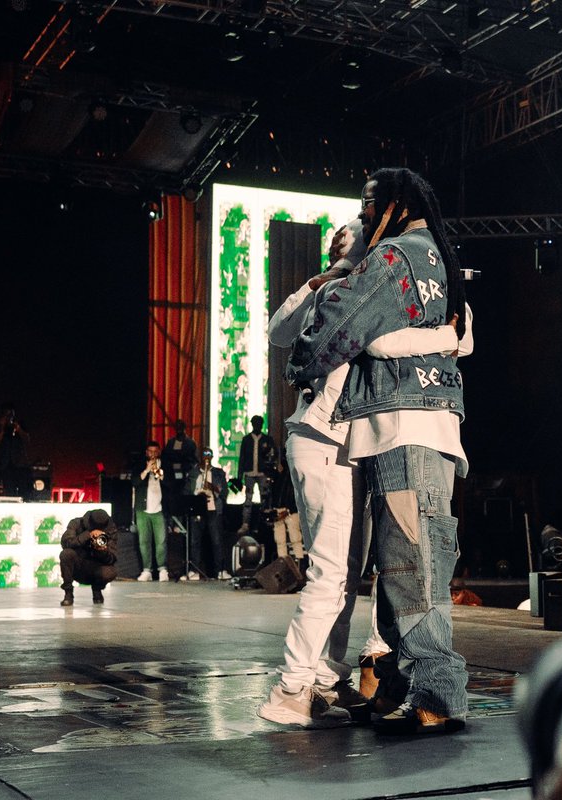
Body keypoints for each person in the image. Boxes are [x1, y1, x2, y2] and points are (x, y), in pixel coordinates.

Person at [259, 214, 472, 729]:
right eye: (352, 232)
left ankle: (326, 679)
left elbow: (460, 335)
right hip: (321, 437)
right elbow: (279, 332)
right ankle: (290, 689)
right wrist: (320, 282)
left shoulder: (389, 287)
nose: (363, 235)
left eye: (367, 228)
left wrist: (446, 333)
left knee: (351, 571)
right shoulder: (337, 294)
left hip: (357, 441)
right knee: (332, 572)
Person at [183, 446, 229, 580]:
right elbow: (186, 491)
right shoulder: (193, 473)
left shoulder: (219, 473)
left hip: (213, 509)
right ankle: (194, 571)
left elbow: (224, 492)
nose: (207, 459)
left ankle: (220, 570)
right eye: (204, 456)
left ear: (212, 457)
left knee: (217, 541)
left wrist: (212, 487)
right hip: (197, 509)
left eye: (209, 456)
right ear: (200, 458)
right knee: (195, 541)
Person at [58, 508, 119, 606]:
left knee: (110, 572)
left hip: (96, 568)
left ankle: (97, 589)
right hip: (78, 566)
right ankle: (68, 593)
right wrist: (87, 535)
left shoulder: (110, 531)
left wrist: (102, 550)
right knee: (66, 554)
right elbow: (66, 543)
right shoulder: (76, 524)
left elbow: (112, 558)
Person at [133, 440, 170, 582]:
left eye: (155, 452)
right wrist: (147, 470)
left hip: (159, 509)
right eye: (150, 451)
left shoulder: (165, 465)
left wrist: (161, 475)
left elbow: (171, 484)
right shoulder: (139, 465)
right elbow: (134, 482)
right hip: (142, 510)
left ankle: (162, 569)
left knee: (161, 541)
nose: (153, 454)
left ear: (159, 452)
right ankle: (146, 570)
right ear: (146, 453)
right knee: (144, 541)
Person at [235, 415, 277, 536]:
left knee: (265, 499)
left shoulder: (267, 439)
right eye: (255, 423)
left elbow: (273, 454)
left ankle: (264, 523)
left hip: (262, 473)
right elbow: (242, 457)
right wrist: (239, 474)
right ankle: (245, 524)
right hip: (249, 473)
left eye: (259, 423)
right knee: (248, 500)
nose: (257, 425)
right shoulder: (246, 439)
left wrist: (270, 471)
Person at [163, 419, 198, 531]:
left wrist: (186, 469)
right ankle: (170, 523)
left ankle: (180, 524)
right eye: (176, 427)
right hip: (171, 477)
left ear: (184, 428)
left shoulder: (190, 443)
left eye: (180, 427)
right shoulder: (171, 442)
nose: (178, 429)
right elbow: (165, 458)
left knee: (182, 499)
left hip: (184, 476)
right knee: (171, 499)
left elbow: (194, 460)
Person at [0, 403, 31, 498]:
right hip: (6, 464)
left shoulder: (19, 424)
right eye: (7, 415)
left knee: (23, 490)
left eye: (11, 415)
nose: (9, 418)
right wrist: (2, 428)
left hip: (20, 463)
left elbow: (27, 439)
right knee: (9, 491)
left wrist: (18, 429)